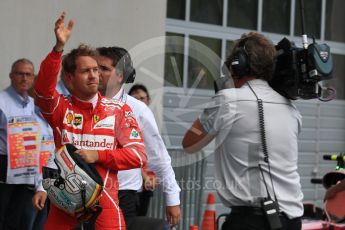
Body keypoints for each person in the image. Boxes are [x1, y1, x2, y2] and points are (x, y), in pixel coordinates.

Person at [32, 12, 147, 230]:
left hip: (105, 198)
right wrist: (58, 49)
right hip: (65, 199)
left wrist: (98, 155)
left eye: (96, 70)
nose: (94, 75)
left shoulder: (118, 110)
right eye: (86, 71)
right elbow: (43, 91)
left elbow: (138, 155)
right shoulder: (60, 108)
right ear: (69, 78)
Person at [182, 32, 303, 230]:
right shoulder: (293, 111)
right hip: (292, 220)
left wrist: (218, 99)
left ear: (237, 65)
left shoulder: (228, 100)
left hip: (251, 221)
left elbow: (189, 144)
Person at [97, 47, 181, 227]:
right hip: (84, 194)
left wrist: (172, 198)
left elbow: (158, 156)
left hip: (122, 194)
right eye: (94, 67)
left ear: (120, 76)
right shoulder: (81, 104)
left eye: (103, 69)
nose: (96, 73)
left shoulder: (138, 109)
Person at [0, 58, 49, 230]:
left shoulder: (34, 105)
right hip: (4, 164)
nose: (24, 78)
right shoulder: (1, 101)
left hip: (27, 166)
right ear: (11, 76)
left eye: (28, 74)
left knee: (17, 217)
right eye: (20, 74)